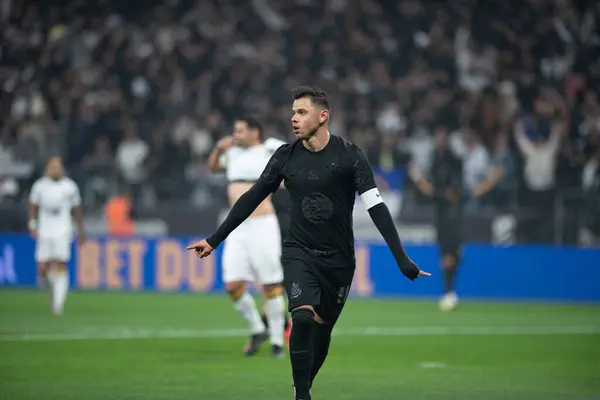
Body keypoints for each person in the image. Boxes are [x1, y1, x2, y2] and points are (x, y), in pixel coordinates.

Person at [188, 86, 430, 400]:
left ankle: (303, 384)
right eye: (293, 112)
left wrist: (402, 259)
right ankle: (302, 395)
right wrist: (214, 239)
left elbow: (376, 207)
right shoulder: (285, 156)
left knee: (323, 330)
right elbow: (251, 198)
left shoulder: (349, 155)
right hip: (298, 252)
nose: (294, 119)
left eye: (301, 112)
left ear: (323, 115)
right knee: (301, 316)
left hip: (339, 260)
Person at [207, 116, 289, 358]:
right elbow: (213, 168)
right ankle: (257, 328)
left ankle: (276, 342)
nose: (236, 135)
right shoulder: (231, 153)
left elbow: (297, 161)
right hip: (238, 228)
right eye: (235, 130)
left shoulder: (269, 149)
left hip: (263, 224)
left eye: (241, 130)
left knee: (270, 283)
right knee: (232, 284)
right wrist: (218, 149)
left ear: (256, 132)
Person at [411, 126, 463, 311]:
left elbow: (450, 192)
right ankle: (448, 292)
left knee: (452, 255)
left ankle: (449, 292)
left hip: (453, 216)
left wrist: (423, 184)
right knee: (446, 255)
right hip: (442, 215)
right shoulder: (436, 160)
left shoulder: (452, 161)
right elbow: (436, 192)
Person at [28, 156, 85, 315]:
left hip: (63, 230)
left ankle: (58, 304)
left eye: (58, 166)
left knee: (60, 265)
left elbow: (77, 209)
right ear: (47, 168)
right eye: (53, 166)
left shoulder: (70, 186)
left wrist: (80, 230)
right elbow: (33, 206)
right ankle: (51, 289)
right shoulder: (39, 186)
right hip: (44, 231)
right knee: (42, 268)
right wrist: (32, 225)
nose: (56, 169)